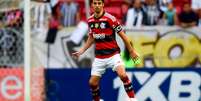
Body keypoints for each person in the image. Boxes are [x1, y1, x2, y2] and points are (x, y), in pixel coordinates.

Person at [72, 0, 139, 101]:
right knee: (92, 83)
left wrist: (131, 51)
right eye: (95, 3)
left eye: (99, 3)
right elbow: (91, 37)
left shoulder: (110, 19)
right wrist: (82, 51)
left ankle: (132, 98)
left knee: (122, 74)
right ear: (92, 5)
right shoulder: (90, 20)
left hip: (113, 54)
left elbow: (123, 36)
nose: (97, 5)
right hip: (99, 57)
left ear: (103, 4)